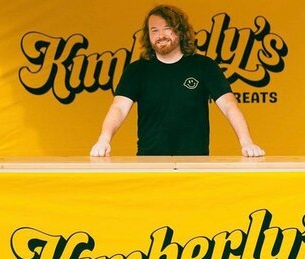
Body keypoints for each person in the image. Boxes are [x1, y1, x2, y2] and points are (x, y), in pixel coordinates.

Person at [90, 4, 265, 157]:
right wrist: (104, 139)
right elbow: (119, 108)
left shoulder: (204, 66)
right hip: (149, 162)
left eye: (167, 28)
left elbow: (229, 106)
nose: (161, 35)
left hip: (196, 162)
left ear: (180, 31)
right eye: (154, 30)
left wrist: (246, 142)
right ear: (148, 36)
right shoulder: (137, 70)